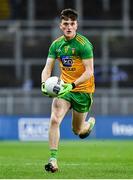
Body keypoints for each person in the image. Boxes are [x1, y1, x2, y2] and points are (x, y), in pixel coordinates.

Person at [41, 8, 95, 173]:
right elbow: (47, 68)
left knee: (77, 130)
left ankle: (88, 125)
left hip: (83, 90)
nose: (69, 27)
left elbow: (89, 71)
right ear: (61, 26)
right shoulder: (56, 45)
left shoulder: (84, 45)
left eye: (72, 23)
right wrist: (44, 83)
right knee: (55, 120)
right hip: (64, 89)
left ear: (77, 25)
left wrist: (73, 85)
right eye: (66, 24)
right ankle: (53, 160)